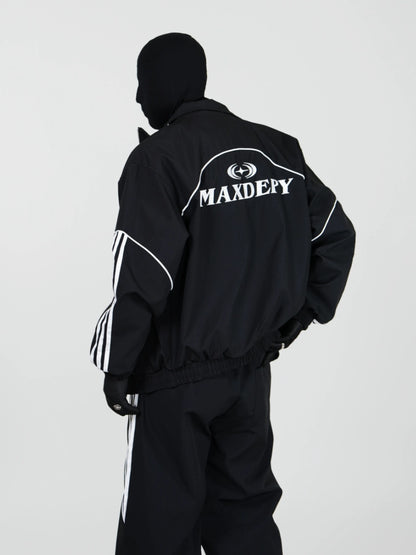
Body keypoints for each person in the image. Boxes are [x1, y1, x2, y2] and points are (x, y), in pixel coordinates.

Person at [89, 32, 356, 555]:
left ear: (168, 84)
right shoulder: (278, 150)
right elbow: (335, 236)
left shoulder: (158, 160)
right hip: (248, 379)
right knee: (244, 520)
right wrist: (291, 321)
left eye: (142, 83)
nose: (137, 98)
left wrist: (117, 364)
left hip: (173, 381)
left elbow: (143, 272)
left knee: (158, 528)